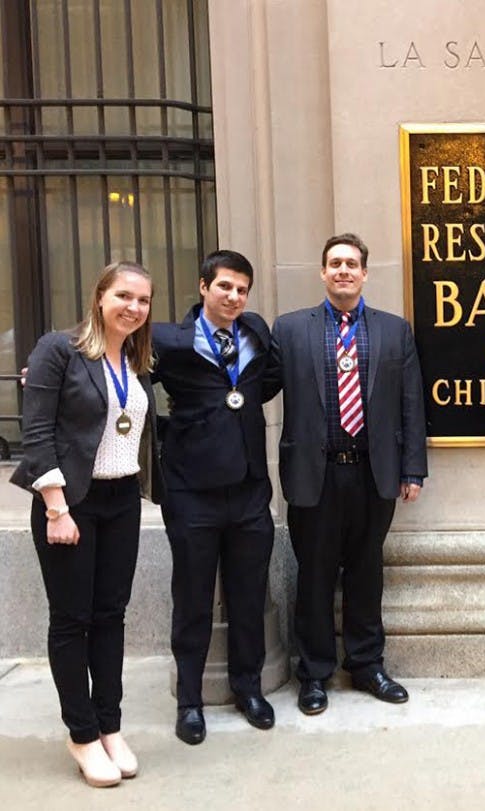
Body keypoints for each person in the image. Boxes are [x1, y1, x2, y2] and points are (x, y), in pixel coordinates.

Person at [13, 261, 158, 787]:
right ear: (99, 297)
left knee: (111, 616)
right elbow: (36, 431)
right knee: (72, 619)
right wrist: (56, 506)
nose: (133, 307)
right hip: (71, 499)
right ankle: (81, 733)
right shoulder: (59, 349)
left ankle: (109, 726)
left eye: (143, 300)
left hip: (122, 499)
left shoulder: (138, 359)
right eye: (123, 296)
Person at [270, 232, 427, 715]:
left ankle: (366, 665)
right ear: (323, 272)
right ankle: (314, 674)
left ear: (364, 273)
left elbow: (411, 402)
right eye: (335, 263)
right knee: (314, 576)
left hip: (372, 474)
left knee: (366, 573)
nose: (343, 270)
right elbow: (256, 386)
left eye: (351, 264)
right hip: (314, 474)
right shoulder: (289, 330)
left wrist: (412, 469)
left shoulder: (393, 330)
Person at [153, 250, 281, 744]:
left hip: (249, 491)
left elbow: (266, 382)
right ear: (204, 286)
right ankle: (189, 701)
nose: (234, 296)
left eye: (242, 289)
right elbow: (123, 376)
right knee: (192, 599)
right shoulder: (168, 340)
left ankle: (249, 689)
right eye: (225, 286)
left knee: (248, 596)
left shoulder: (256, 333)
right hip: (192, 492)